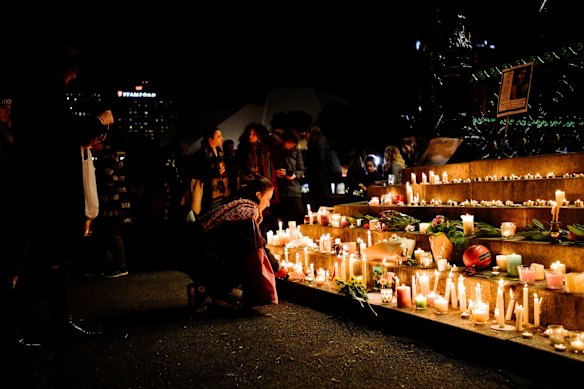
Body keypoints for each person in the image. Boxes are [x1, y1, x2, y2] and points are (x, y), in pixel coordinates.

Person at [6, 41, 110, 344]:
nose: (73, 78)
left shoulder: (36, 94)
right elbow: (61, 132)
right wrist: (98, 121)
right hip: (48, 194)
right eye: (70, 72)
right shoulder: (42, 95)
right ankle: (13, 323)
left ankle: (61, 321)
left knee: (53, 261)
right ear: (59, 68)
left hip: (44, 192)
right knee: (43, 260)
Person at [182, 173, 304, 315]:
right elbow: (258, 247)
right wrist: (284, 273)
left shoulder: (241, 206)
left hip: (202, 253)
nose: (269, 204)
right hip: (203, 256)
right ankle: (207, 290)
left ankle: (208, 291)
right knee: (249, 262)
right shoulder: (246, 214)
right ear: (258, 195)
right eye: (268, 198)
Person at [91, 140, 132, 278]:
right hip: (111, 200)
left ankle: (121, 266)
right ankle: (106, 265)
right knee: (107, 233)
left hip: (116, 201)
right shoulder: (105, 156)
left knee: (114, 232)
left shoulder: (109, 156)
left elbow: (103, 175)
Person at [185, 127, 231, 218]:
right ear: (211, 140)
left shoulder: (220, 152)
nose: (222, 138)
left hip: (221, 192)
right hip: (207, 195)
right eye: (219, 137)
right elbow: (197, 174)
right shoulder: (200, 154)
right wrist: (214, 171)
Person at [272, 129, 305, 226]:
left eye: (294, 143)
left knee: (299, 215)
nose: (292, 145)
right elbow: (269, 169)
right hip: (280, 190)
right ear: (284, 141)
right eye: (290, 143)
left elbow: (301, 169)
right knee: (284, 218)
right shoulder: (276, 152)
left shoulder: (297, 152)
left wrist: (295, 175)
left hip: (294, 189)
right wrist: (276, 172)